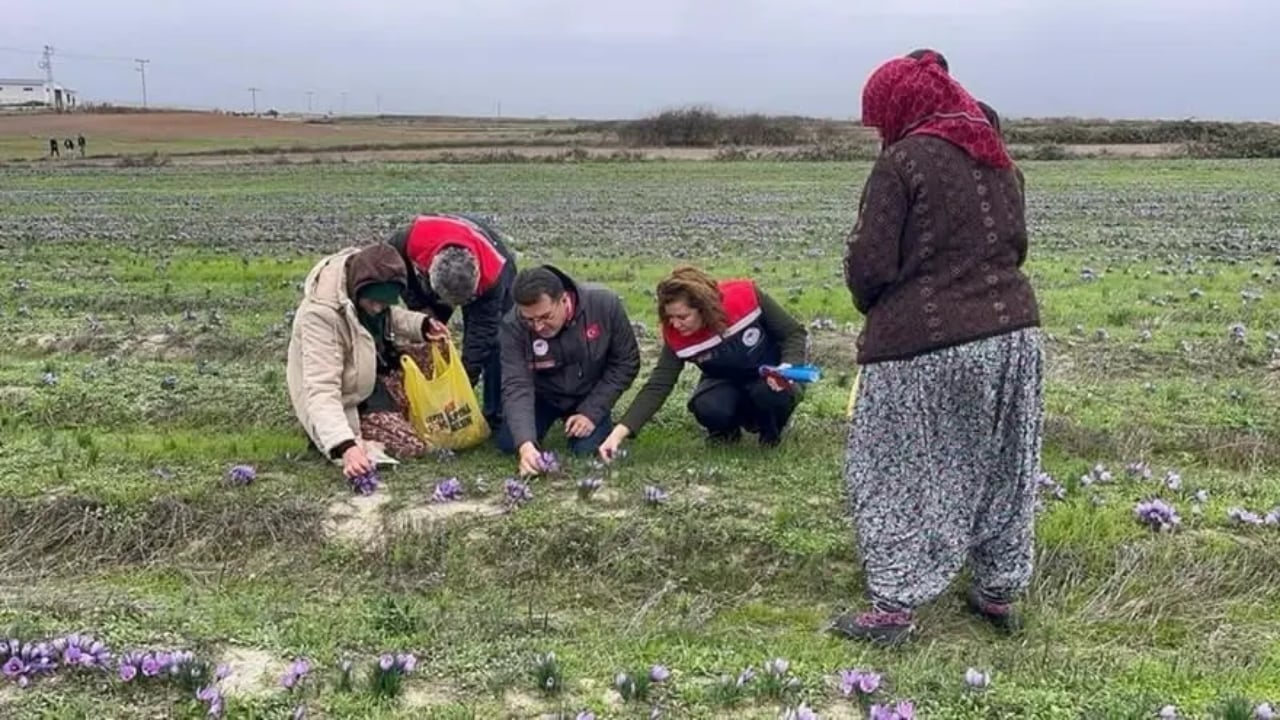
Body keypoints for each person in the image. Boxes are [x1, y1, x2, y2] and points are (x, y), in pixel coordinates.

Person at [831, 53, 1043, 645]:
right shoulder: (999, 158)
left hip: (921, 343)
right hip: (1012, 334)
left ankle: (894, 609)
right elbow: (1017, 246)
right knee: (1003, 465)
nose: (879, 130)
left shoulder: (901, 163)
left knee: (894, 468)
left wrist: (873, 301)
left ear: (901, 106)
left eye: (880, 117)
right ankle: (998, 593)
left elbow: (871, 265)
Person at [598, 266, 808, 457]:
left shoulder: (745, 297)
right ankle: (725, 434)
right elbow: (659, 384)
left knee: (770, 392)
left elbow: (794, 333)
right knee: (708, 406)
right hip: (724, 380)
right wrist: (619, 433)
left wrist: (787, 368)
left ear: (703, 308)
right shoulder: (676, 335)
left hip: (769, 373)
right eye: (670, 317)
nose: (675, 324)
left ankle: (771, 433)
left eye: (683, 316)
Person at [286, 243, 450, 479]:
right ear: (359, 288)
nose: (377, 308)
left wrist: (422, 325)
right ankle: (341, 432)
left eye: (384, 303)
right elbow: (321, 390)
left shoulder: (365, 284)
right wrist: (345, 446)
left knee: (434, 352)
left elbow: (388, 316)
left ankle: (393, 414)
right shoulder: (321, 316)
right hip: (348, 395)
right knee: (412, 445)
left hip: (369, 371)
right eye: (373, 301)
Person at [497, 265, 640, 476]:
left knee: (584, 450)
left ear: (564, 300)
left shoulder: (603, 305)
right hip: (544, 395)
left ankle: (587, 419)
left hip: (589, 393)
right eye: (529, 319)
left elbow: (626, 362)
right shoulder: (513, 325)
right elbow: (517, 384)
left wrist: (592, 411)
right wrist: (525, 445)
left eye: (545, 317)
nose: (537, 327)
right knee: (510, 443)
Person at [387, 213, 517, 428]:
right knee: (426, 335)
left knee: (497, 343)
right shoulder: (408, 240)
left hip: (490, 261)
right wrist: (420, 309)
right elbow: (398, 275)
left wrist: (463, 384)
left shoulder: (494, 277)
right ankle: (421, 405)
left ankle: (495, 415)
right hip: (441, 255)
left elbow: (481, 335)